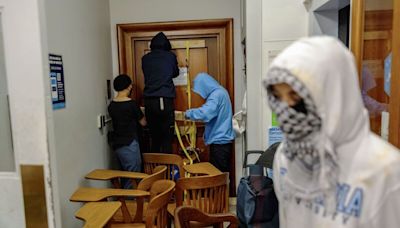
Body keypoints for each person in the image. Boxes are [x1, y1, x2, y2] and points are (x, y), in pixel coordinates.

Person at [263, 36, 400, 228]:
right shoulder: (286, 157)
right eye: (278, 97)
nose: (286, 110)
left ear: (333, 93)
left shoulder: (385, 171)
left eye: (296, 96)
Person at [185, 72, 235, 173]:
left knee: (217, 177)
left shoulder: (216, 95)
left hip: (220, 144)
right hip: (222, 142)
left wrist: (188, 113)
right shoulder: (221, 92)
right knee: (220, 176)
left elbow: (205, 113)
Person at [142, 32, 179, 153]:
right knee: (167, 138)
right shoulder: (170, 57)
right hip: (164, 99)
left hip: (149, 100)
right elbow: (175, 73)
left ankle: (155, 169)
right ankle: (167, 170)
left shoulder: (145, 58)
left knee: (154, 137)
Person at [108, 74, 146, 189]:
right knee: (133, 177)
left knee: (124, 174)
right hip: (130, 143)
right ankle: (131, 204)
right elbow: (143, 122)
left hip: (117, 144)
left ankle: (125, 202)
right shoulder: (131, 104)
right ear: (129, 87)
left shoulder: (111, 106)